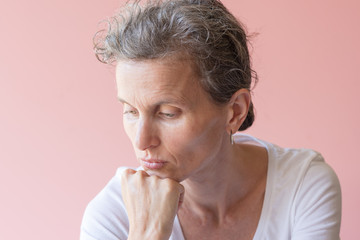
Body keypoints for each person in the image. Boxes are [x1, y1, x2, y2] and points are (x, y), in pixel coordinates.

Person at [80, 0, 342, 239]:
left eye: (168, 113)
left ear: (235, 111)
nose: (142, 140)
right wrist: (148, 233)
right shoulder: (111, 217)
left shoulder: (303, 187)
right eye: (131, 111)